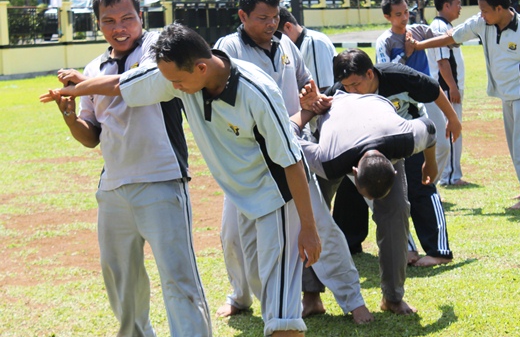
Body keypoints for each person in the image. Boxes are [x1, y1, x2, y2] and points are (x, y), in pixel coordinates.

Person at [41, 23, 323, 337]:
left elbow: (292, 161)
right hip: (242, 197)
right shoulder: (179, 77)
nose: (173, 88)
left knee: (281, 311)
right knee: (259, 284)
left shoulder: (257, 92)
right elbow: (124, 83)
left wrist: (309, 228)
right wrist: (77, 88)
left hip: (279, 197)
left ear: (201, 68)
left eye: (177, 81)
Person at [43, 0, 212, 336]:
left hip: (162, 180)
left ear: (141, 16)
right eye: (109, 21)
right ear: (98, 25)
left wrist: (82, 85)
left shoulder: (158, 49)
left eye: (127, 18)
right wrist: (70, 115)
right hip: (114, 187)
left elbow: (134, 83)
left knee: (178, 278)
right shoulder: (93, 67)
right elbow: (92, 137)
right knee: (122, 282)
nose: (119, 28)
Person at [214, 0, 372, 323]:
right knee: (233, 238)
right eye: (262, 18)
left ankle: (353, 300)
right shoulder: (227, 50)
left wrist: (310, 97)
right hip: (246, 160)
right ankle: (240, 297)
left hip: (290, 152)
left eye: (274, 17)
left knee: (321, 228)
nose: (271, 24)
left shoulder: (285, 43)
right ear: (242, 16)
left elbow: (305, 81)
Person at [411, 0, 520, 209]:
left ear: (500, 8)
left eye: (485, 10)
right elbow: (450, 37)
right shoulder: (482, 23)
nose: (481, 14)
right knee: (514, 146)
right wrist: (419, 46)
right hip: (506, 96)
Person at [294, 89, 439, 315]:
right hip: (333, 119)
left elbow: (430, 128)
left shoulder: (405, 139)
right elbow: (291, 135)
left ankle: (392, 297)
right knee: (312, 212)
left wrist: (431, 164)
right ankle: (311, 295)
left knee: (397, 211)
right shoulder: (327, 160)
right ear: (352, 173)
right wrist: (307, 112)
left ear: (393, 165)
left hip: (379, 114)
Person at [374, 0, 457, 266]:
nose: (403, 18)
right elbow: (387, 73)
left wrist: (419, 47)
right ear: (387, 16)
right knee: (393, 191)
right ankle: (407, 248)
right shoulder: (384, 42)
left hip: (417, 112)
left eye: (406, 12)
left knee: (423, 183)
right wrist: (408, 55)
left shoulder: (420, 31)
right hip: (390, 121)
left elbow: (446, 37)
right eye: (397, 14)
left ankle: (438, 250)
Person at [426, 0, 467, 186]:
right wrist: (452, 86)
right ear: (446, 5)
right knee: (452, 129)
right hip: (446, 87)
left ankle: (450, 173)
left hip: (446, 86)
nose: (460, 8)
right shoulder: (440, 28)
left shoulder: (442, 25)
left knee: (451, 129)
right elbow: (442, 62)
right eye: (457, 4)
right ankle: (450, 176)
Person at [277, 7, 337, 92]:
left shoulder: (313, 42)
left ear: (288, 26)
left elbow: (321, 90)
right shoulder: (292, 46)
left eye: (276, 36)